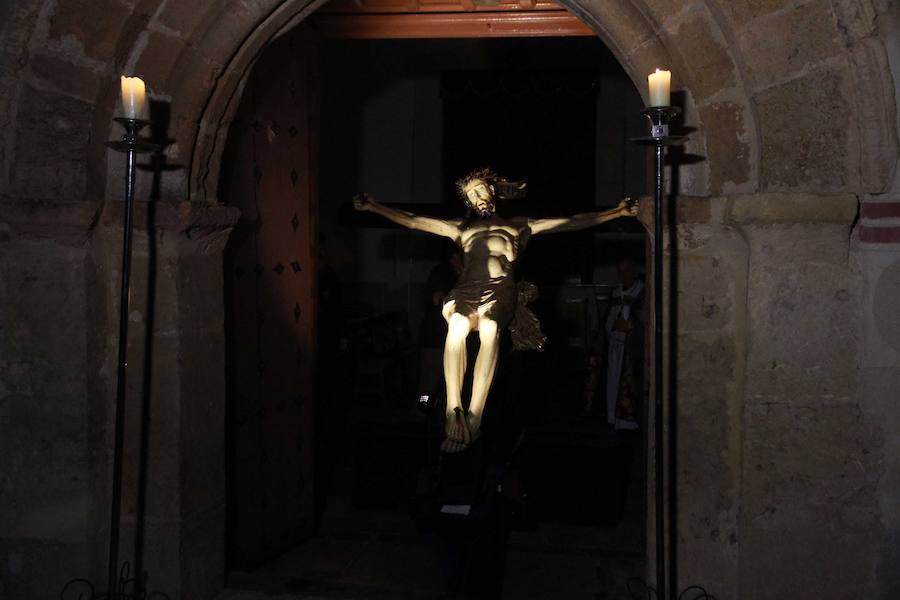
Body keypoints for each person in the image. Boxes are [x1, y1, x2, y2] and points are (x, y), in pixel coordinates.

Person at [354, 167, 638, 452]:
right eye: (471, 195)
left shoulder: (519, 226)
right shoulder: (461, 229)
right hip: (466, 289)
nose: (477, 197)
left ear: (492, 191)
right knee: (457, 326)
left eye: (480, 190)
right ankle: (453, 407)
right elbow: (415, 221)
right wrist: (374, 206)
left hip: (500, 289)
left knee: (489, 326)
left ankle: (475, 415)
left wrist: (617, 212)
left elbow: (571, 222)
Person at [602, 258, 645, 431]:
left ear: (634, 271)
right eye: (620, 272)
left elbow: (644, 319)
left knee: (628, 384)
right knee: (612, 382)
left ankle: (628, 423)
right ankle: (612, 419)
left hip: (631, 348)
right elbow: (609, 316)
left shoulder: (642, 290)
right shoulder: (616, 291)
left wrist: (631, 326)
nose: (623, 276)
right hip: (615, 345)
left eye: (626, 271)